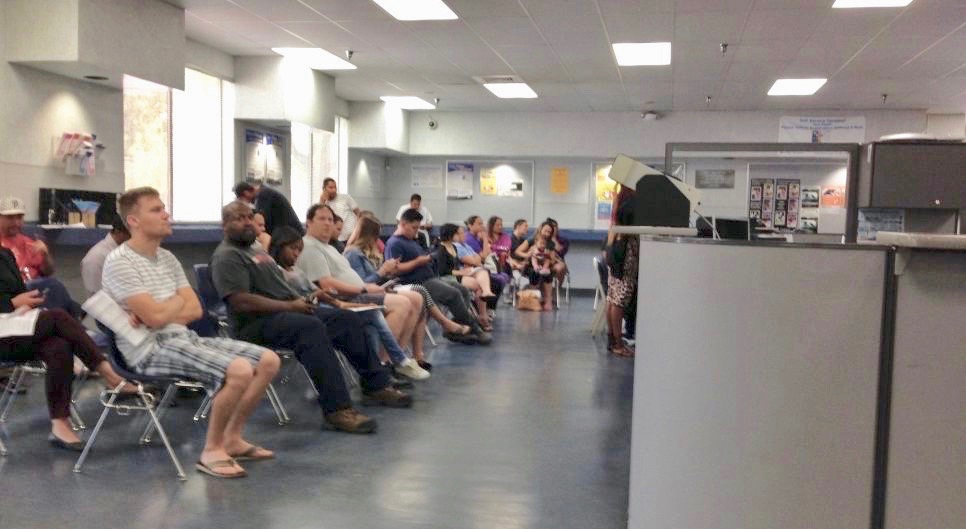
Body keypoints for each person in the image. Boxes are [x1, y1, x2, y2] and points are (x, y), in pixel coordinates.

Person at [101, 187, 280, 478]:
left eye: (164, 208)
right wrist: (168, 307)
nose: (166, 214)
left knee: (268, 361)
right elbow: (157, 317)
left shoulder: (168, 258)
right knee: (239, 370)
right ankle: (211, 451)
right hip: (148, 349)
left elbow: (195, 310)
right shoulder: (119, 262)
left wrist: (161, 311)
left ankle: (232, 439)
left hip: (182, 338)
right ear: (133, 221)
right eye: (156, 210)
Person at [211, 201, 411, 436]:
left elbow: (282, 284)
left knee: (345, 319)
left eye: (249, 217)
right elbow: (240, 301)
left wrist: (308, 296)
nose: (247, 222)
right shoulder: (227, 256)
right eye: (239, 218)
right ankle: (337, 409)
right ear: (225, 225)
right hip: (256, 323)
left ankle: (376, 385)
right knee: (310, 328)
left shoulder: (255, 250)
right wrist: (290, 305)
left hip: (289, 310)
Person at [0, 245, 142, 452]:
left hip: (14, 327)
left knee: (59, 347)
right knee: (58, 317)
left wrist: (26, 303)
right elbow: (13, 300)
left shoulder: (5, 254)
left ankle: (60, 424)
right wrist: (12, 303)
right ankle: (109, 373)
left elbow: (21, 293)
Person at [294, 204, 429, 380]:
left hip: (360, 292)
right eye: (322, 219)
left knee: (416, 298)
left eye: (330, 219)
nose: (328, 224)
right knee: (402, 303)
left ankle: (396, 360)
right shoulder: (311, 247)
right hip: (344, 297)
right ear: (309, 223)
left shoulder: (328, 247)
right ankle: (385, 363)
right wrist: (366, 286)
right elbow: (327, 284)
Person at [345, 216, 474, 356]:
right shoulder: (354, 254)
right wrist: (383, 271)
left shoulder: (368, 252)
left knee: (420, 300)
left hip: (384, 287)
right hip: (370, 292)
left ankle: (417, 354)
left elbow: (378, 277)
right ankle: (444, 326)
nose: (378, 241)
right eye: (376, 236)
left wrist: (387, 273)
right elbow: (361, 283)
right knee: (421, 293)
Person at [385, 209, 491, 344]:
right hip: (417, 282)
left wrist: (426, 259)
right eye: (414, 228)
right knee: (453, 293)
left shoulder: (411, 241)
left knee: (462, 290)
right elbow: (394, 270)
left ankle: (456, 330)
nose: (416, 231)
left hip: (430, 278)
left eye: (417, 228)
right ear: (403, 223)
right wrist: (418, 262)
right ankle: (475, 329)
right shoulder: (394, 244)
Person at [0, 196, 82, 318]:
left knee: (51, 286)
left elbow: (48, 271)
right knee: (53, 286)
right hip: (15, 295)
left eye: (19, 217)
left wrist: (45, 254)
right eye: (10, 218)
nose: (16, 222)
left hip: (37, 292)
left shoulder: (28, 242)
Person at [434, 224, 493, 331]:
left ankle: (482, 314)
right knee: (477, 285)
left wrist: (465, 271)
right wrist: (462, 272)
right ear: (451, 235)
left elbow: (457, 264)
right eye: (458, 233)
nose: (462, 235)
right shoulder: (441, 250)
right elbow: (443, 271)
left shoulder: (454, 247)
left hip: (457, 274)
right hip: (447, 277)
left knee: (481, 276)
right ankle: (476, 316)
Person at [604, 196, 639, 358]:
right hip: (625, 270)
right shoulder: (629, 234)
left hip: (615, 269)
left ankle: (613, 340)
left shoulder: (615, 229)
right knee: (618, 304)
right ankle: (618, 344)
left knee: (612, 300)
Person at [513, 221, 559, 311]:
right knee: (534, 272)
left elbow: (553, 260)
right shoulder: (531, 239)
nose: (547, 233)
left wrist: (548, 256)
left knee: (548, 273)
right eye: (545, 230)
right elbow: (517, 251)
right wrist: (528, 255)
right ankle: (533, 299)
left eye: (549, 232)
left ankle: (548, 300)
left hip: (545, 266)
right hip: (530, 265)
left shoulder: (550, 244)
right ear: (540, 229)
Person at [81, 214, 131, 294]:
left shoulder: (128, 250)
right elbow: (95, 295)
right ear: (118, 232)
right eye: (131, 235)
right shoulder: (95, 258)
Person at [233, 180, 303, 236]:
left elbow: (263, 218)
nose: (248, 203)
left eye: (242, 200)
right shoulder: (265, 193)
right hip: (289, 232)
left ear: (246, 193)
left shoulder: (263, 194)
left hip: (292, 235)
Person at [320, 177, 359, 242]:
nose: (334, 190)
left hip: (351, 237)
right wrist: (322, 201)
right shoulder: (324, 203)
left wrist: (356, 231)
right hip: (337, 239)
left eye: (335, 187)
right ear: (324, 189)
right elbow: (321, 218)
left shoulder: (346, 197)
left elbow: (359, 214)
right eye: (331, 187)